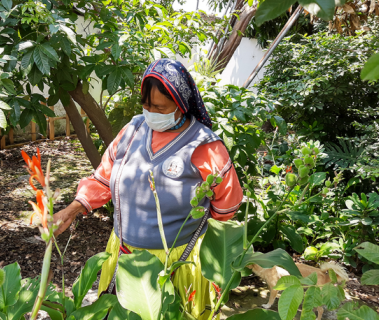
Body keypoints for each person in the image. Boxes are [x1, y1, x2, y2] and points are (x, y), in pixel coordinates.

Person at [54, 59, 243, 319]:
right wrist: (72, 209)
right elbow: (103, 179)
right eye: (146, 105)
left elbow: (226, 206)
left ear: (181, 105)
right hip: (124, 255)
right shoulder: (132, 131)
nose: (151, 112)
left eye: (160, 107)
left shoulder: (204, 146)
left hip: (176, 261)